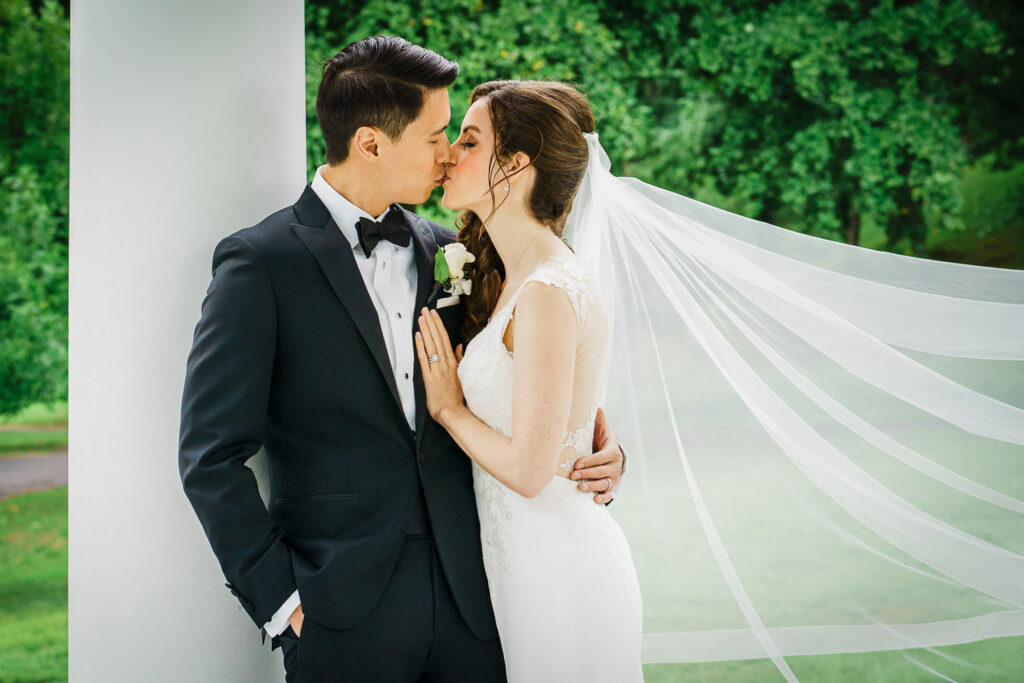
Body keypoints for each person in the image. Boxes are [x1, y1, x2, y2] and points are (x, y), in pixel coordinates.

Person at [177, 37, 628, 683]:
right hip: (341, 614)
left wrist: (595, 454)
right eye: (436, 136)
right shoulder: (262, 263)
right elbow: (209, 455)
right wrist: (286, 602)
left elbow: (541, 367)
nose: (448, 154)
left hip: (481, 603)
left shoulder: (456, 252)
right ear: (370, 143)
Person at [415, 80, 644, 682]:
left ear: (513, 166)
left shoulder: (546, 289)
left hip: (556, 568)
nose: (449, 155)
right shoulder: (512, 277)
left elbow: (530, 469)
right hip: (519, 563)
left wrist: (448, 408)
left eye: (469, 141)